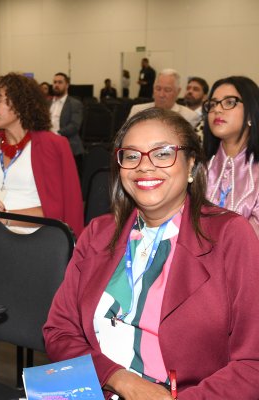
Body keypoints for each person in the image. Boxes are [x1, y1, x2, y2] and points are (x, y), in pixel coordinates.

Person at [44, 108, 259, 399]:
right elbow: (59, 332)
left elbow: (251, 365)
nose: (144, 166)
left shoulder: (231, 236)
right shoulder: (99, 232)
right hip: (95, 387)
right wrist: (119, 379)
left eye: (162, 153)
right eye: (131, 155)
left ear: (191, 163)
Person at [0, 73, 84, 266]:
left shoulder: (52, 145)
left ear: (20, 104)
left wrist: (4, 216)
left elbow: (54, 212)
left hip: (31, 234)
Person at [203, 75, 259, 237]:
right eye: (213, 104)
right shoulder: (197, 167)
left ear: (250, 113)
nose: (217, 110)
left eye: (229, 102)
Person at [129, 69, 200, 128]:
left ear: (178, 91)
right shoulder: (137, 111)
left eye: (167, 90)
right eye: (158, 88)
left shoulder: (189, 117)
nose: (161, 95)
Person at [50, 72, 84, 169]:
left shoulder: (75, 103)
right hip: (48, 145)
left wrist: (54, 135)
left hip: (68, 144)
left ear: (67, 85)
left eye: (60, 82)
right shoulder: (47, 103)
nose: (56, 85)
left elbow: (74, 126)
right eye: (55, 82)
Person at [183, 77, 209, 141]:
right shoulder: (177, 112)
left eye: (195, 89)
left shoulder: (207, 118)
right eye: (188, 88)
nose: (190, 91)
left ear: (204, 97)